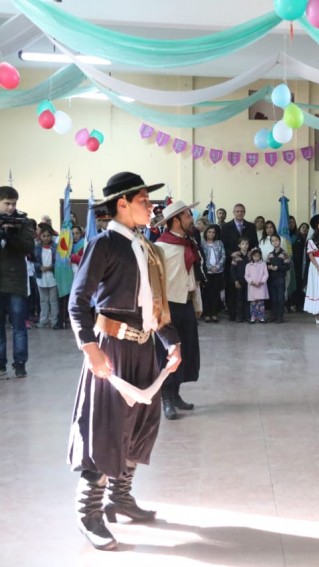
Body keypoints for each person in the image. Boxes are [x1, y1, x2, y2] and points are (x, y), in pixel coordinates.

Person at [68, 172, 182, 550]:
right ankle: (88, 514)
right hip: (112, 348)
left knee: (139, 427)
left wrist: (171, 341)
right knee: (106, 429)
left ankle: (120, 497)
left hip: (144, 348)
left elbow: (155, 304)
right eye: (144, 201)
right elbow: (77, 302)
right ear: (123, 204)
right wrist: (91, 348)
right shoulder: (103, 245)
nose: (151, 207)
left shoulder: (145, 247)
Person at [154, 200, 203, 420]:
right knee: (167, 353)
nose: (191, 219)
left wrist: (197, 303)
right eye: (187, 216)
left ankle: (175, 394)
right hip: (168, 307)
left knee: (186, 351)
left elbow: (192, 276)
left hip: (186, 304)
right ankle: (166, 398)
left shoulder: (188, 243)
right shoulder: (161, 247)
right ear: (175, 221)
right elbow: (154, 282)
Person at [0, 185, 33, 378]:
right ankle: (0, 365)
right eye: (7, 203)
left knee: (19, 326)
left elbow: (29, 246)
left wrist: (11, 237)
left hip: (16, 281)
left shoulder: (23, 221)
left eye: (13, 204)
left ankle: (20, 363)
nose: (11, 207)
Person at [221, 204, 258, 321]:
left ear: (244, 212)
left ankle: (246, 314)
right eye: (237, 211)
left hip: (247, 262)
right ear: (233, 212)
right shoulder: (226, 227)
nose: (239, 213)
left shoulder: (251, 226)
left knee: (246, 289)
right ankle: (233, 314)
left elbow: (255, 243)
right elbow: (223, 244)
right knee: (232, 288)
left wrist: (251, 253)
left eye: (242, 211)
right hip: (232, 262)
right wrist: (231, 254)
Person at [33, 226, 60, 329]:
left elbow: (59, 261)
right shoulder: (36, 247)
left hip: (53, 277)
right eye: (44, 236)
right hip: (41, 277)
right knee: (43, 300)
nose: (46, 238)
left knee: (53, 301)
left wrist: (50, 267)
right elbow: (33, 261)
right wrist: (40, 267)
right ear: (40, 236)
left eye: (48, 236)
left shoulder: (56, 247)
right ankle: (43, 320)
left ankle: (54, 321)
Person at [199, 225, 224, 323]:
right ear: (206, 233)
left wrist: (217, 267)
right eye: (209, 232)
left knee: (215, 293)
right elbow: (201, 258)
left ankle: (214, 313)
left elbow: (223, 256)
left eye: (213, 232)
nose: (211, 234)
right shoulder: (202, 244)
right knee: (207, 293)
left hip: (218, 272)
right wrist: (210, 267)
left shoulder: (219, 243)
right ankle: (207, 314)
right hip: (207, 272)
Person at [266, 234, 290, 323]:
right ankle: (274, 315)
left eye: (276, 240)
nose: (275, 242)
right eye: (272, 241)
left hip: (280, 278)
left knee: (280, 298)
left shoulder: (284, 253)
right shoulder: (270, 254)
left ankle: (280, 316)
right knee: (274, 298)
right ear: (271, 243)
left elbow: (288, 266)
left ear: (279, 241)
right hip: (272, 278)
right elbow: (267, 265)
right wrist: (269, 267)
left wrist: (278, 268)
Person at [245, 248, 269, 323]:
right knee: (253, 303)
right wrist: (252, 282)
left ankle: (261, 317)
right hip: (252, 286)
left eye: (258, 256)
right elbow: (246, 276)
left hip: (261, 286)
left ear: (260, 256)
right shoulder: (248, 265)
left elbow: (266, 274)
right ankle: (253, 317)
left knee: (261, 303)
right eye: (255, 256)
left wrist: (261, 282)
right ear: (252, 256)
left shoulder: (263, 264)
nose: (256, 257)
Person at [230, 238, 250, 322]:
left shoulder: (250, 256)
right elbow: (233, 270)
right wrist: (235, 280)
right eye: (243, 244)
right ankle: (240, 316)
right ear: (239, 245)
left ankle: (248, 316)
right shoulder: (236, 257)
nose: (245, 246)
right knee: (239, 299)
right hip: (239, 280)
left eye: (246, 244)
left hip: (249, 281)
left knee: (248, 298)